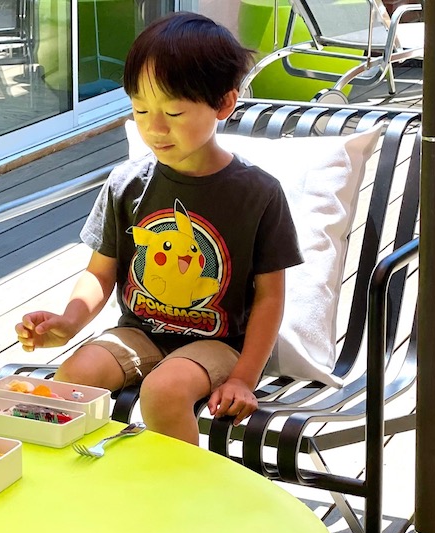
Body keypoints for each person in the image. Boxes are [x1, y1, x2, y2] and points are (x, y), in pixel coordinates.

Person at [16, 12, 302, 444]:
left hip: (220, 342)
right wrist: (70, 320)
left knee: (164, 391)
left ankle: (183, 501)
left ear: (224, 104)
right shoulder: (127, 183)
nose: (154, 127)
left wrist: (244, 377)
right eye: (140, 109)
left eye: (173, 111)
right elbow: (100, 272)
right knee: (74, 375)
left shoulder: (257, 193)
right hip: (138, 332)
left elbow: (270, 298)